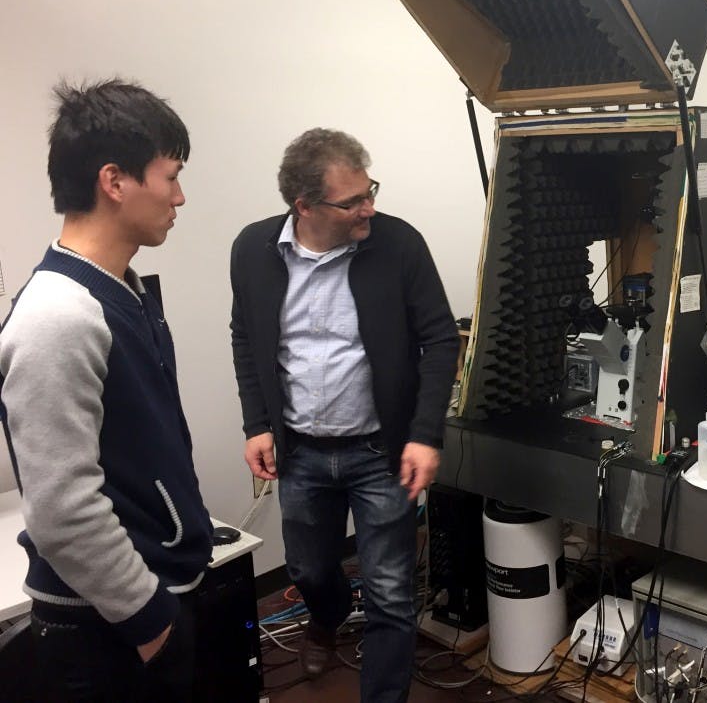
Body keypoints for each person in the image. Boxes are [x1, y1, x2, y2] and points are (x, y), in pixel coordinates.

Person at [0, 79, 213, 700]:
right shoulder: (59, 317)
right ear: (114, 181)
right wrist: (150, 623)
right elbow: (62, 509)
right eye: (170, 176)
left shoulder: (122, 292)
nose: (180, 196)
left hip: (145, 597)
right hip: (107, 624)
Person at [230, 128, 458, 702]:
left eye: (369, 191)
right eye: (352, 200)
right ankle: (326, 617)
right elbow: (245, 338)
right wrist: (257, 422)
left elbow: (440, 339)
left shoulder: (398, 244)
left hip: (381, 452)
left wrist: (425, 434)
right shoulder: (253, 250)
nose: (369, 208)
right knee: (307, 570)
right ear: (304, 206)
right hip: (300, 451)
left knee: (390, 593)